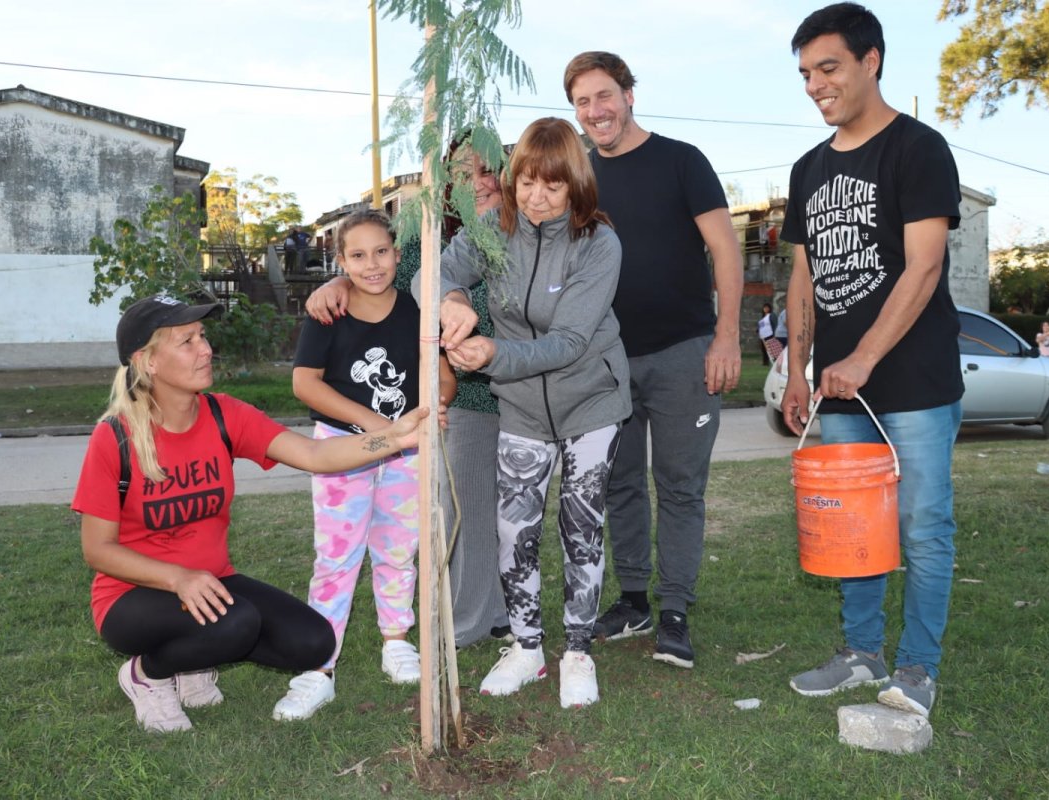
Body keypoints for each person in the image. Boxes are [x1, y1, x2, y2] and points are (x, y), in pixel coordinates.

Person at [72, 294, 427, 733]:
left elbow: (315, 454)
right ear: (148, 362)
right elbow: (97, 550)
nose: (206, 350)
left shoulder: (224, 414)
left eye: (203, 336)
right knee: (236, 624)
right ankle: (149, 673)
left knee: (315, 642)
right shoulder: (114, 437)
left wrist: (393, 438)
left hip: (212, 582)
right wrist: (178, 578)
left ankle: (193, 658)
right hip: (131, 596)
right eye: (187, 342)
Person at [780, 3, 965, 718]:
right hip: (839, 390)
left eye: (828, 68)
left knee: (922, 526)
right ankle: (862, 653)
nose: (815, 86)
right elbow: (804, 278)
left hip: (915, 383)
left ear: (871, 60)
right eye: (805, 74)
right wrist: (798, 371)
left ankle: (918, 668)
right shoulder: (807, 169)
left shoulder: (919, 149)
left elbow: (925, 267)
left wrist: (862, 357)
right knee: (853, 527)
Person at [433, 117, 630, 709]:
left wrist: (492, 353)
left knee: (580, 525)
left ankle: (578, 651)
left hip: (591, 400)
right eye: (525, 183)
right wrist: (453, 299)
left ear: (576, 184)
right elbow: (437, 272)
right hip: (520, 406)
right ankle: (525, 648)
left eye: (552, 185)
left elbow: (568, 342)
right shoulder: (494, 227)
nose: (536, 198)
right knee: (514, 527)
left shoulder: (599, 243)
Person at [564, 51, 744, 669]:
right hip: (606, 359)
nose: (595, 111)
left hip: (683, 353)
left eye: (604, 96)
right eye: (582, 102)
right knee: (618, 484)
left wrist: (726, 337)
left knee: (680, 486)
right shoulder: (580, 177)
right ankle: (634, 599)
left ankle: (674, 610)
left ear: (629, 95)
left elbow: (726, 251)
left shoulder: (682, 160)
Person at [304, 137, 512, 649]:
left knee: (515, 512)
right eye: (463, 173)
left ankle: (506, 610)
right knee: (465, 510)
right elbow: (376, 270)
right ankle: (467, 619)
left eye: (489, 170)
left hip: (525, 389)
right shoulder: (426, 239)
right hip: (462, 402)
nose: (478, 183)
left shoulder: (524, 230)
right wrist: (335, 284)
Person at [273, 209, 457, 721]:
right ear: (341, 260)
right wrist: (378, 427)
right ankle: (318, 666)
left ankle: (396, 639)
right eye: (357, 255)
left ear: (397, 254)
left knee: (399, 548)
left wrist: (438, 402)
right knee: (336, 557)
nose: (371, 264)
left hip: (408, 450)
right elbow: (305, 383)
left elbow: (443, 376)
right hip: (341, 450)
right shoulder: (328, 312)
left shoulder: (418, 309)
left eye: (381, 252)